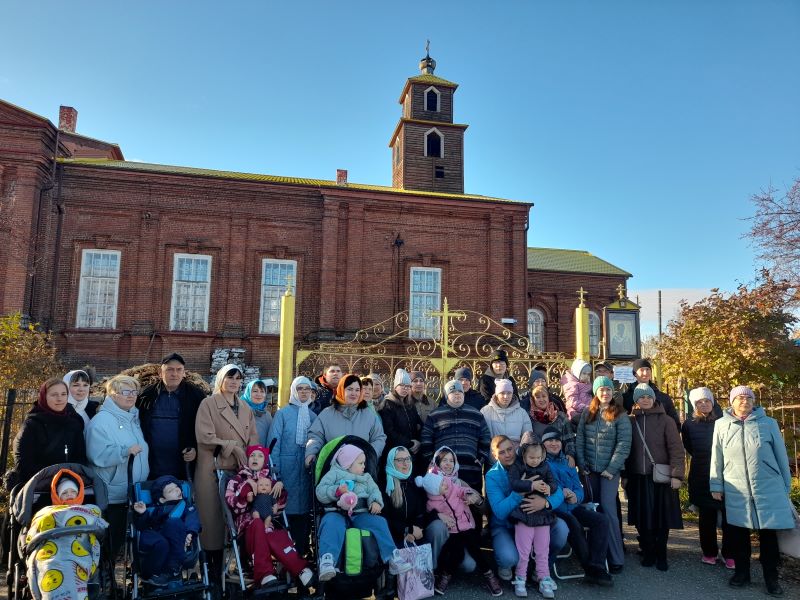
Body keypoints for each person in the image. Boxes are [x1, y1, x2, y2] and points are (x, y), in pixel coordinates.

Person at [710, 385, 794, 597]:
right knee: (738, 535)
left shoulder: (769, 423)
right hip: (736, 488)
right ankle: (742, 573)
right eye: (739, 398)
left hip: (768, 487)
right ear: (732, 402)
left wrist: (786, 485)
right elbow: (716, 456)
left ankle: (771, 578)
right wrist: (716, 485)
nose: (744, 401)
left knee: (768, 537)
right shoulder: (721, 424)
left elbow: (781, 456)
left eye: (748, 398)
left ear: (753, 402)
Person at [194, 364, 259, 583]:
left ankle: (233, 569)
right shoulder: (209, 404)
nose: (234, 382)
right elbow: (205, 436)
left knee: (237, 521)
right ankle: (211, 572)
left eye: (238, 378)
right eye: (229, 377)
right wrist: (233, 447)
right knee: (212, 523)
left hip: (239, 472)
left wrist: (251, 458)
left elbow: (253, 437)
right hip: (214, 469)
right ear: (221, 379)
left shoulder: (245, 407)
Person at [315, 444, 410, 581]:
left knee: (379, 522)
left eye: (364, 463)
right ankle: (327, 560)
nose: (364, 466)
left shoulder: (366, 477)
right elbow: (320, 491)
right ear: (348, 464)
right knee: (330, 523)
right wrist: (336, 490)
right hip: (336, 511)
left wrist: (375, 502)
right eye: (360, 463)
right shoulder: (333, 474)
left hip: (361, 513)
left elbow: (374, 491)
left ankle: (392, 556)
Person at [417, 448, 502, 597]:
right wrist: (438, 515)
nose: (448, 464)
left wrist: (471, 495)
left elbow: (463, 491)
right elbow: (426, 511)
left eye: (451, 461)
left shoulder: (453, 482)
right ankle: (442, 574)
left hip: (465, 526)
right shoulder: (429, 484)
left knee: (474, 551)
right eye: (444, 460)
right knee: (456, 551)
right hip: (450, 530)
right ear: (437, 463)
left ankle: (489, 574)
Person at [225, 446, 312, 588]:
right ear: (247, 459)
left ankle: (300, 569)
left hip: (267, 527)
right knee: (258, 523)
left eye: (260, 456)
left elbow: (278, 508)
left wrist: (280, 490)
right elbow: (231, 503)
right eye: (252, 455)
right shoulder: (237, 479)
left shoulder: (269, 480)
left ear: (265, 461)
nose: (255, 458)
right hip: (248, 529)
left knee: (278, 536)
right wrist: (246, 487)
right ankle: (264, 573)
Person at [485, 435, 569, 584]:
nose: (508, 454)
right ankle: (506, 564)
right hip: (505, 525)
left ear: (515, 448)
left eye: (510, 449)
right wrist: (521, 491)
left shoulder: (530, 459)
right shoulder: (492, 476)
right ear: (494, 455)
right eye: (502, 452)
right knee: (509, 557)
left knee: (561, 529)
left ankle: (541, 567)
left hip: (536, 518)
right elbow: (499, 512)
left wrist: (545, 503)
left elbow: (558, 491)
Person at [85, 374, 149, 558]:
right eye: (125, 392)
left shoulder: (132, 419)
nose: (131, 396)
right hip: (112, 494)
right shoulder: (101, 421)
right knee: (110, 544)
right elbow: (97, 454)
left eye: (134, 392)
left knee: (122, 540)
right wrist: (123, 451)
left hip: (131, 491)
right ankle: (105, 574)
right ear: (112, 395)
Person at [623, 383, 684, 571]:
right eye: (641, 397)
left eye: (649, 397)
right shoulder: (630, 421)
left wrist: (677, 474)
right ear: (636, 400)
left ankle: (661, 554)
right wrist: (625, 475)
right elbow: (625, 451)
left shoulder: (666, 421)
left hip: (660, 477)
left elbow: (676, 449)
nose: (646, 400)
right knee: (642, 518)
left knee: (661, 518)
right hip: (637, 477)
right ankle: (648, 551)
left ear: (654, 399)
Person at [542, 426, 612, 586]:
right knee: (574, 524)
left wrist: (577, 496)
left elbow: (578, 486)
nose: (554, 443)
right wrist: (563, 493)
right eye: (549, 440)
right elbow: (549, 486)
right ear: (543, 444)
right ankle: (590, 569)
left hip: (573, 507)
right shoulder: (542, 463)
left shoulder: (568, 462)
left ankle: (597, 565)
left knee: (601, 520)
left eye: (557, 440)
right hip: (556, 509)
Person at [575, 376, 631, 572]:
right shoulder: (588, 413)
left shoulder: (620, 415)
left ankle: (616, 557)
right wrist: (582, 464)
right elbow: (580, 439)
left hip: (609, 472)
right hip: (589, 470)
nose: (605, 393)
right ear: (595, 393)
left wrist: (611, 469)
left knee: (608, 509)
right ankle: (595, 554)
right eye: (601, 390)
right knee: (592, 510)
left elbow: (624, 444)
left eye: (608, 389)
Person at [26, 469, 107, 600]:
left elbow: (99, 528)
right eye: (64, 493)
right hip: (50, 552)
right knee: (49, 566)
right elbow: (33, 533)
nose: (69, 494)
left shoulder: (90, 509)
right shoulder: (46, 511)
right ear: (57, 495)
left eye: (73, 491)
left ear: (79, 493)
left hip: (80, 549)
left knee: (71, 567)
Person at [681, 387, 733, 568]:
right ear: (694, 405)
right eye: (699, 402)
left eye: (707, 401)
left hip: (727, 474)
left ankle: (730, 553)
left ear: (712, 402)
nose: (704, 404)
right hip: (701, 474)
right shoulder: (688, 425)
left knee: (729, 517)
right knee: (706, 517)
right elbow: (689, 447)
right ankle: (709, 552)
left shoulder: (725, 420)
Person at [5, 378, 87, 492]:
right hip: (38, 487)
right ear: (44, 397)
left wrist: (68, 479)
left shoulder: (74, 422)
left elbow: (80, 457)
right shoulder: (32, 424)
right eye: (54, 394)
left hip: (68, 488)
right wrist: (52, 479)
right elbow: (23, 462)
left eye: (63, 394)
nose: (59, 398)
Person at [268, 375, 317, 556]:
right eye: (300, 388)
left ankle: (301, 555)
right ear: (293, 391)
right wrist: (276, 472)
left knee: (303, 513)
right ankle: (284, 556)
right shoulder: (282, 414)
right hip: (286, 471)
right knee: (285, 510)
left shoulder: (313, 416)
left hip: (305, 471)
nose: (303, 392)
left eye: (307, 389)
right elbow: (274, 444)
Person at [137, 353, 206, 480]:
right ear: (160, 373)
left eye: (179, 370)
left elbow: (204, 427)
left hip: (183, 462)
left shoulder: (196, 396)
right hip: (151, 461)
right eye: (169, 369)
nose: (174, 374)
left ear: (184, 373)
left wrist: (195, 447)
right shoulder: (147, 395)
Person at [381, 446, 450, 571]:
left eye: (408, 459)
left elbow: (421, 513)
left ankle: (432, 571)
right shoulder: (385, 486)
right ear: (391, 462)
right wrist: (407, 530)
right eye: (400, 460)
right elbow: (384, 519)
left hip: (415, 535)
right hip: (394, 536)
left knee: (438, 526)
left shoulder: (415, 484)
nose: (405, 463)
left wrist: (417, 529)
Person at [507, 432, 558, 599]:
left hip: (542, 514)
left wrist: (549, 488)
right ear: (523, 454)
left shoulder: (546, 466)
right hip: (524, 513)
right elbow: (514, 483)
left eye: (538, 457)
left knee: (543, 549)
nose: (535, 461)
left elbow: (554, 483)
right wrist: (530, 485)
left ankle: (544, 577)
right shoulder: (517, 466)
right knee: (524, 549)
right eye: (531, 458)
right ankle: (520, 577)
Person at [420, 380, 490, 492]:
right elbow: (426, 439)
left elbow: (485, 437)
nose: (457, 394)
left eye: (460, 391)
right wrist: (432, 460)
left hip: (470, 471)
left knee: (472, 500)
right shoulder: (435, 415)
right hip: (442, 473)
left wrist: (481, 458)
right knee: (444, 501)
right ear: (446, 396)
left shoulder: (476, 414)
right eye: (453, 392)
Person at [133, 475, 202, 586]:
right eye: (171, 490)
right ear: (162, 499)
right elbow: (143, 527)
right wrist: (143, 514)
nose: (177, 490)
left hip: (179, 544)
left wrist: (190, 533)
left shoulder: (187, 507)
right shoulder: (155, 510)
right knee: (159, 541)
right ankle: (152, 575)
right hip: (158, 547)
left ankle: (172, 570)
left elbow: (192, 520)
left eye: (177, 487)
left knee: (173, 523)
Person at [306, 374, 387, 465]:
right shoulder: (327, 414)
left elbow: (379, 438)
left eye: (357, 390)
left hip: (362, 467)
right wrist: (311, 453)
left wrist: (369, 455)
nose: (354, 393)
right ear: (341, 390)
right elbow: (316, 436)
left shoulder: (368, 414)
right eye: (350, 389)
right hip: (333, 467)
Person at [481, 378, 533, 459]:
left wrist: (519, 453)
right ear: (497, 394)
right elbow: (482, 437)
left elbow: (527, 437)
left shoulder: (521, 413)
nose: (506, 396)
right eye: (502, 393)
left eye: (509, 393)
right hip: (494, 458)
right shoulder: (485, 411)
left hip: (516, 458)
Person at [379, 369, 423, 462]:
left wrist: (418, 442)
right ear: (395, 387)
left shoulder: (410, 405)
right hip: (395, 452)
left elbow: (419, 424)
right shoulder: (388, 404)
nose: (405, 388)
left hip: (412, 452)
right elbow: (389, 431)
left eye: (408, 386)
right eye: (402, 385)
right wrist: (410, 444)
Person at [621, 359, 680, 428]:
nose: (645, 373)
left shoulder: (663, 397)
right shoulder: (626, 397)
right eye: (641, 370)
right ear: (635, 373)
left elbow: (674, 423)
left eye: (647, 369)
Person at [528, 382, 576, 467]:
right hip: (538, 462)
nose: (541, 399)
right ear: (533, 399)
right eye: (537, 397)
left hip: (559, 461)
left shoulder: (560, 416)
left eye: (544, 396)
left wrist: (570, 454)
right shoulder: (529, 417)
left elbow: (569, 439)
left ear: (548, 397)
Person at [241, 379, 274, 446]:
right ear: (248, 392)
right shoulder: (240, 411)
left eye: (262, 391)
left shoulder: (267, 415)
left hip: (262, 451)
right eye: (255, 391)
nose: (259, 394)